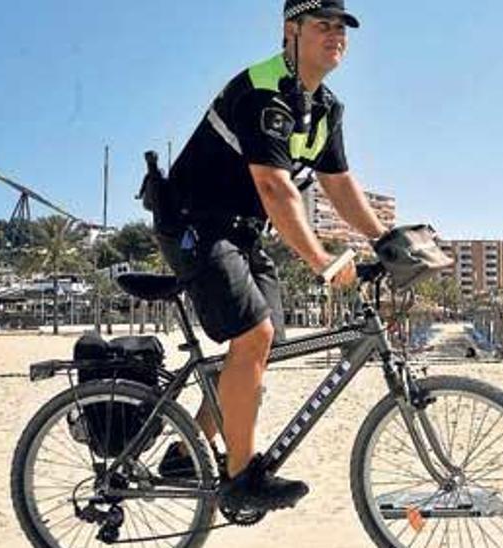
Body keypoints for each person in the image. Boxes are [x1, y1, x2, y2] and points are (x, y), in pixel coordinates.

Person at [153, 1, 385, 513]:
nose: (336, 36)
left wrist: (386, 239)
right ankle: (241, 475)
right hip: (195, 223)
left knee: (265, 346)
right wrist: (322, 259)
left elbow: (339, 186)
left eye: (342, 27)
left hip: (243, 234)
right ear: (291, 30)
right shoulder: (263, 92)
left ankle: (181, 451)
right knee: (252, 335)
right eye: (323, 25)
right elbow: (274, 187)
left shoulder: (325, 108)